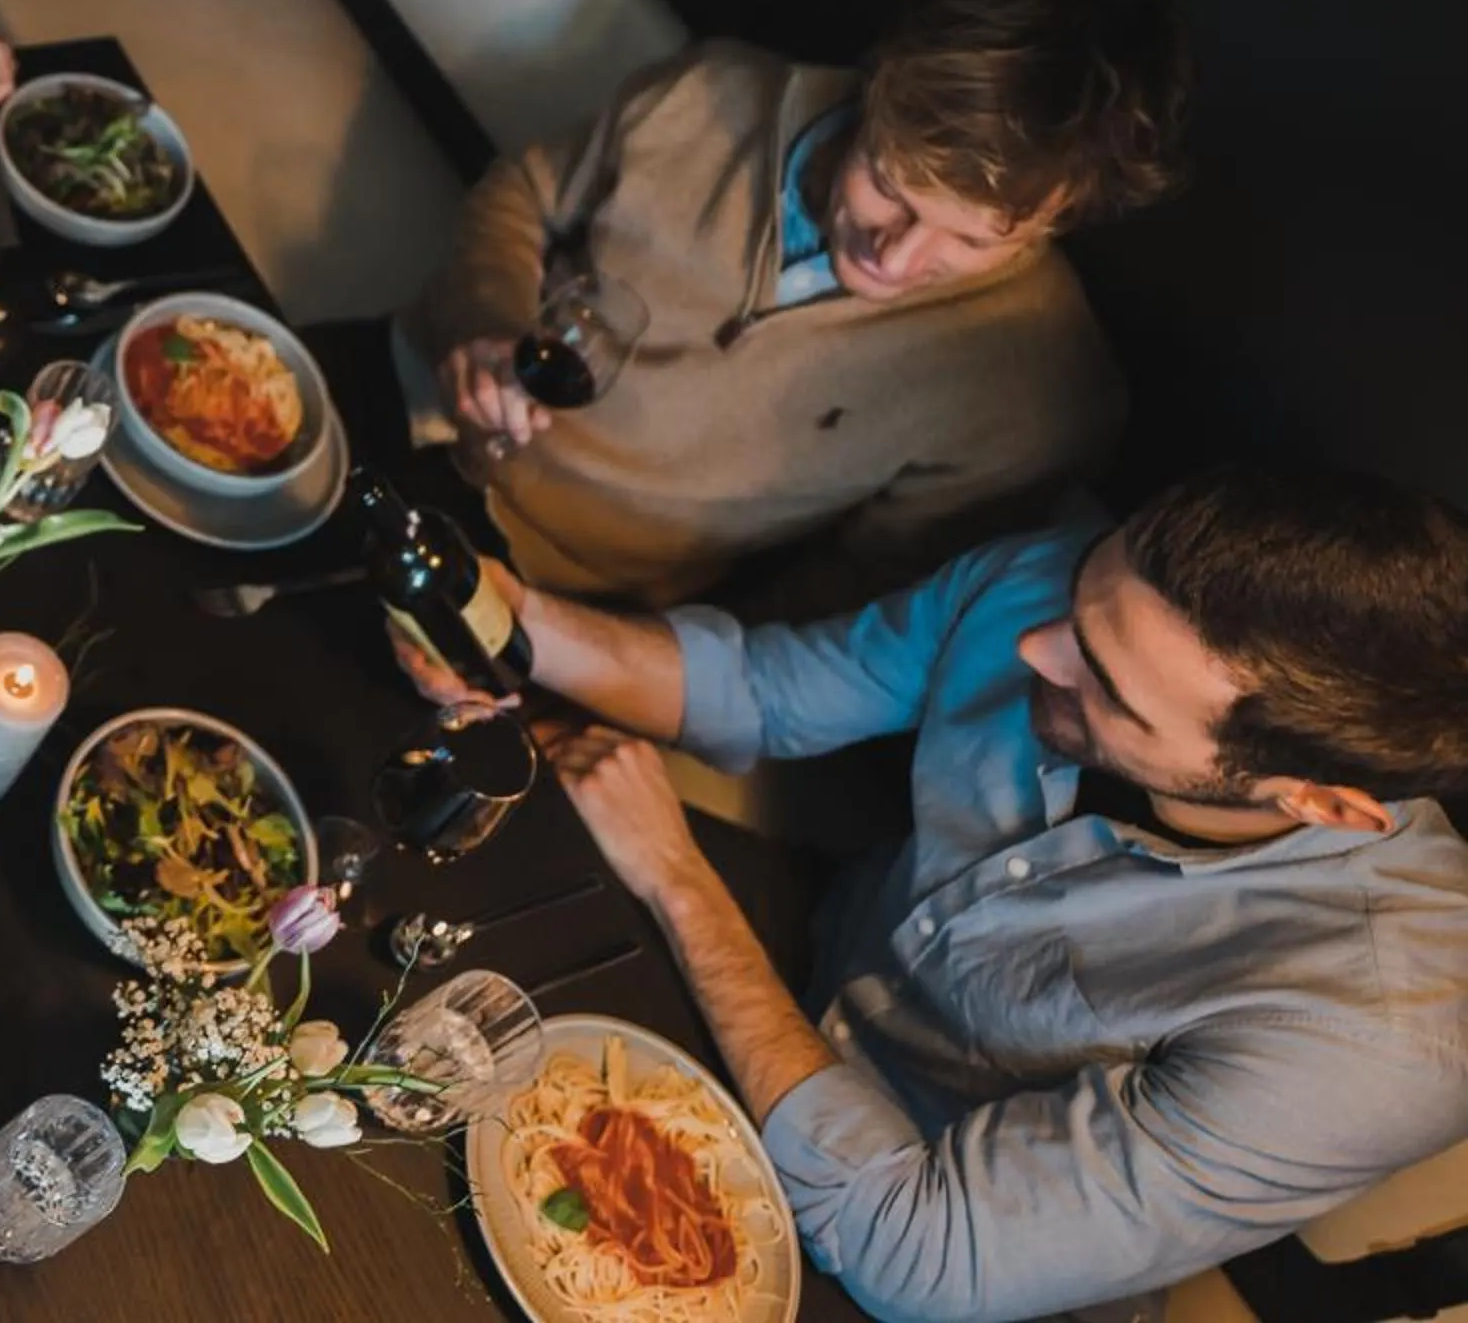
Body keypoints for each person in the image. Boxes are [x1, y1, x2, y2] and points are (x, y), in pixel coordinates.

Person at [404, 466, 1468, 1323]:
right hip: (799, 970)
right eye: (1082, 600)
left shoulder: (1388, 1037)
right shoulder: (1082, 592)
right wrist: (504, 614)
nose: (1033, 648)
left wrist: (680, 882)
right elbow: (763, 691)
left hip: (909, 1253)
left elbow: (918, 1251)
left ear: (1321, 802)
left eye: (1105, 681)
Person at [398, 0, 1193, 615]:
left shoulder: (1043, 400)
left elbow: (839, 601)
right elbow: (521, 194)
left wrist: (617, 670)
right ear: (877, 86)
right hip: (414, 396)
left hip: (569, 592)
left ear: (1060, 219)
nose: (897, 258)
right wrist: (485, 323)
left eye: (972, 241)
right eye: (889, 186)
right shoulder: (709, 94)